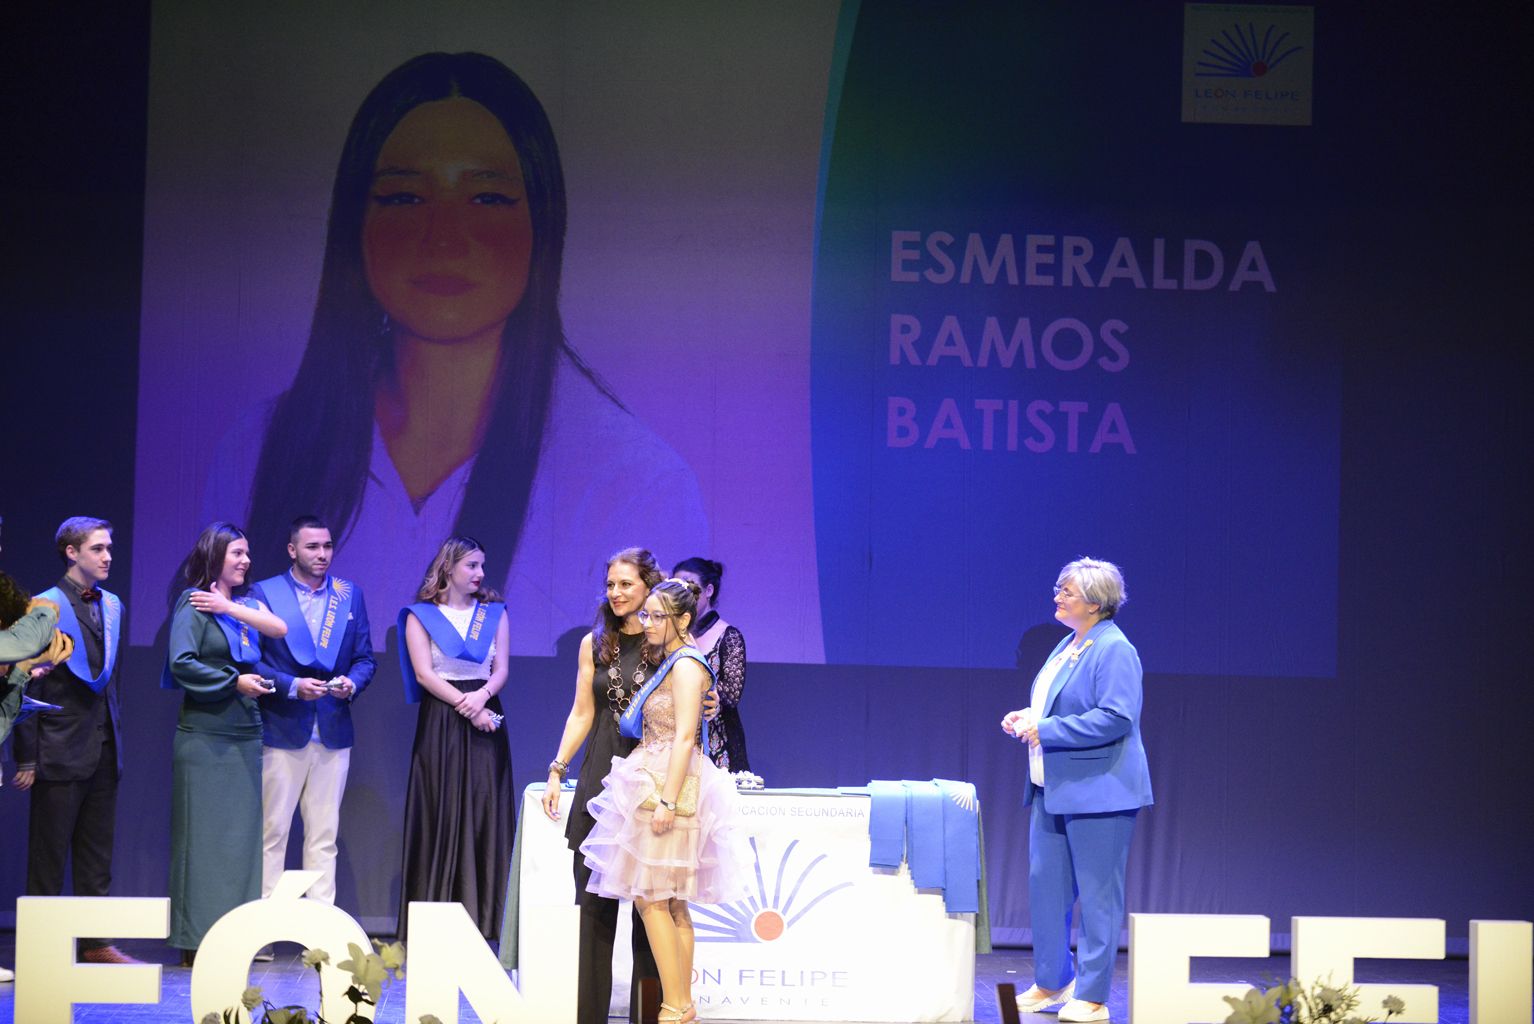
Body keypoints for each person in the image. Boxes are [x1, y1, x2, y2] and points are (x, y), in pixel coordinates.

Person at [201, 51, 707, 656]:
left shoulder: (632, 482)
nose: (442, 237)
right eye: (404, 198)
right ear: (355, 222)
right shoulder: (261, 445)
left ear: (541, 226)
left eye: (487, 199)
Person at [579, 578, 751, 1024]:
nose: (647, 623)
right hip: (652, 778)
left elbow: (684, 739)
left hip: (670, 785)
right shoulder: (671, 661)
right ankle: (680, 1006)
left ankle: (675, 1006)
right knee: (666, 901)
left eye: (658, 616)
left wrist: (668, 802)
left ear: (683, 620)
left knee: (655, 899)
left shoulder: (687, 665)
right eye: (647, 615)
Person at [1000, 557, 1152, 1023]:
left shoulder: (1114, 648)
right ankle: (1051, 981)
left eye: (1066, 591)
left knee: (1098, 896)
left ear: (1095, 601)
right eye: (1059, 588)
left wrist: (1048, 729)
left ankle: (1093, 995)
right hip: (1054, 787)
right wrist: (1027, 719)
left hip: (1100, 790)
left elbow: (1116, 716)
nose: (1057, 596)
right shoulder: (1070, 643)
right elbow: (1055, 704)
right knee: (1046, 888)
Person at [540, 547, 665, 1024]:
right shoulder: (594, 643)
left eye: (626, 584)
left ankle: (648, 1016)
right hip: (599, 780)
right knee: (593, 913)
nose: (615, 593)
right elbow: (582, 712)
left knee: (649, 915)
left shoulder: (669, 646)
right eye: (610, 584)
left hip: (650, 782)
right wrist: (557, 768)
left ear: (649, 587)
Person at [12, 518, 142, 965]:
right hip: (57, 747)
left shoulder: (112, 605)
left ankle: (95, 943)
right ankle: (42, 949)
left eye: (109, 548)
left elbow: (111, 682)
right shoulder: (41, 608)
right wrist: (26, 756)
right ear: (72, 552)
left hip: (103, 746)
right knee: (48, 855)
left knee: (96, 852)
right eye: (98, 549)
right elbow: (22, 685)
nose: (108, 556)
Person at [164, 522, 288, 961]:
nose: (246, 560)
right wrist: (234, 681)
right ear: (214, 555)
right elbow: (182, 663)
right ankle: (196, 940)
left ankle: (234, 937)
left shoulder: (244, 605)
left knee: (240, 843)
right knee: (202, 842)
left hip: (244, 734)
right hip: (205, 736)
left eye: (247, 553)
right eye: (236, 553)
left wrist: (229, 607)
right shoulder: (193, 602)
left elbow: (277, 628)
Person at [250, 516, 375, 912]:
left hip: (334, 728)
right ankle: (264, 932)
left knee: (324, 836)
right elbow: (253, 661)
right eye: (312, 547)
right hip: (282, 727)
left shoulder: (348, 595)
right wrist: (291, 685)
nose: (322, 555)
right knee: (273, 833)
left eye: (327, 546)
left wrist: (352, 683)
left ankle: (322, 934)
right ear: (292, 550)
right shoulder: (265, 593)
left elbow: (364, 659)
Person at [396, 534, 513, 940]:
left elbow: (500, 670)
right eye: (472, 566)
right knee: (440, 811)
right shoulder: (420, 615)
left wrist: (480, 700)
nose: (480, 574)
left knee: (484, 810)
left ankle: (483, 919)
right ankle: (435, 918)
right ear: (448, 568)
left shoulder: (494, 613)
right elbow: (425, 673)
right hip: (442, 721)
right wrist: (468, 708)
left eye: (482, 566)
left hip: (487, 714)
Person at [671, 557, 749, 773]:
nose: (682, 593)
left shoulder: (728, 636)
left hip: (717, 739)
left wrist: (701, 691)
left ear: (709, 590)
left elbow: (732, 694)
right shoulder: (669, 634)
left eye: (689, 584)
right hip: (674, 736)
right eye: (676, 586)